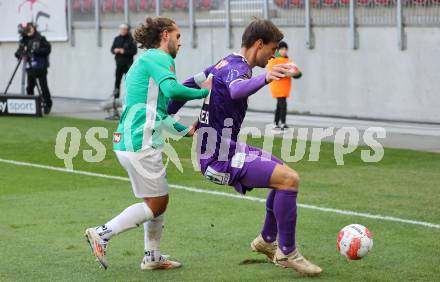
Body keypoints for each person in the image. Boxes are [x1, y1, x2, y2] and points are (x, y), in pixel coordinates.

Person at [168, 19, 322, 276]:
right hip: (217, 159)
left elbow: (188, 85)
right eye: (272, 49)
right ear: (259, 44)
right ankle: (288, 253)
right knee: (290, 180)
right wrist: (266, 78)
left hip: (227, 147)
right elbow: (237, 90)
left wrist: (166, 116)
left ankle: (267, 240)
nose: (274, 54)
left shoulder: (225, 61)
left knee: (284, 175)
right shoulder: (238, 69)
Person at [84, 16, 211, 270]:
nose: (180, 43)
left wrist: (186, 131)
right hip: (140, 143)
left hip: (129, 141)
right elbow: (174, 90)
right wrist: (204, 91)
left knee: (156, 199)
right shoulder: (160, 58)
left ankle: (152, 258)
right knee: (157, 203)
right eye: (177, 36)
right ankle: (103, 232)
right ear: (165, 35)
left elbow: (160, 113)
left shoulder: (143, 62)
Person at [14, 22, 52, 114]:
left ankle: (47, 104)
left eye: (30, 28)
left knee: (43, 87)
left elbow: (47, 49)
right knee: (30, 87)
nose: (29, 30)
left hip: (41, 66)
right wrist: (21, 54)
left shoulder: (40, 38)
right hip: (30, 68)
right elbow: (18, 53)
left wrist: (34, 51)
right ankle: (31, 105)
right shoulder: (24, 40)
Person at [267, 41, 302, 130]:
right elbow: (273, 72)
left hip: (286, 88)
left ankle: (275, 123)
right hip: (277, 87)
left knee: (280, 105)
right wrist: (287, 73)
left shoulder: (289, 61)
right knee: (283, 104)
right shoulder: (274, 60)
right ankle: (283, 123)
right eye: (282, 49)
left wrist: (296, 73)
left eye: (285, 49)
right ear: (278, 50)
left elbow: (298, 74)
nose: (284, 51)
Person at [111, 23, 137, 98]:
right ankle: (116, 98)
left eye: (124, 29)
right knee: (117, 81)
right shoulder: (117, 38)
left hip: (128, 64)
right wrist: (115, 50)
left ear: (127, 30)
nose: (122, 31)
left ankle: (130, 96)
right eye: (121, 29)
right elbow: (112, 50)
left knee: (129, 81)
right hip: (119, 64)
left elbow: (134, 51)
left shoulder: (131, 39)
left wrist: (124, 51)